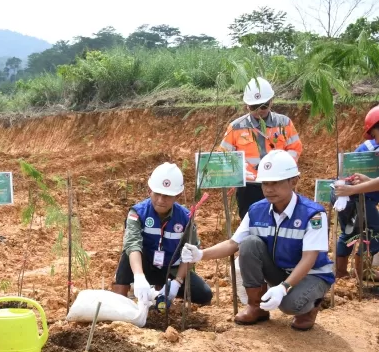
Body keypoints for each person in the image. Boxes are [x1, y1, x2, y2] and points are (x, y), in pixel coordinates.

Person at [181, 150, 334, 331]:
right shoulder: (256, 210)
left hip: (312, 274)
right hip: (280, 270)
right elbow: (233, 244)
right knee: (249, 243)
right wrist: (200, 254)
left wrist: (283, 288)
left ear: (294, 181)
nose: (269, 189)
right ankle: (256, 307)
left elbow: (309, 258)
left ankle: (309, 308)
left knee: (289, 305)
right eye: (265, 183)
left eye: (275, 183)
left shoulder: (312, 214)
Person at [112, 162, 213, 307]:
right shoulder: (137, 213)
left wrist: (177, 282)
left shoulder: (185, 217)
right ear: (149, 190)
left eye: (167, 196)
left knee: (204, 294)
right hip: (143, 266)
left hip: (170, 269)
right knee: (129, 255)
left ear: (177, 195)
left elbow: (190, 253)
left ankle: (163, 293)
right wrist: (139, 276)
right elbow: (132, 244)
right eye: (157, 194)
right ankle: (119, 303)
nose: (160, 200)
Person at [219, 77, 303, 219]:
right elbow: (225, 154)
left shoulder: (284, 123)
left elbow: (295, 148)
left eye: (264, 106)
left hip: (279, 182)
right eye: (254, 107)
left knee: (279, 218)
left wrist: (283, 168)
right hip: (249, 185)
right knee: (250, 220)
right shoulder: (236, 126)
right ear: (247, 106)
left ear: (271, 102)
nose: (260, 111)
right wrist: (243, 171)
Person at [332, 105, 379, 279]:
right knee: (372, 233)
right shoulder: (369, 148)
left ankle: (350, 272)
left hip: (358, 197)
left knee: (354, 233)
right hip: (357, 199)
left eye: (375, 135)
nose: (376, 140)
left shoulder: (367, 147)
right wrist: (355, 188)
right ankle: (358, 273)